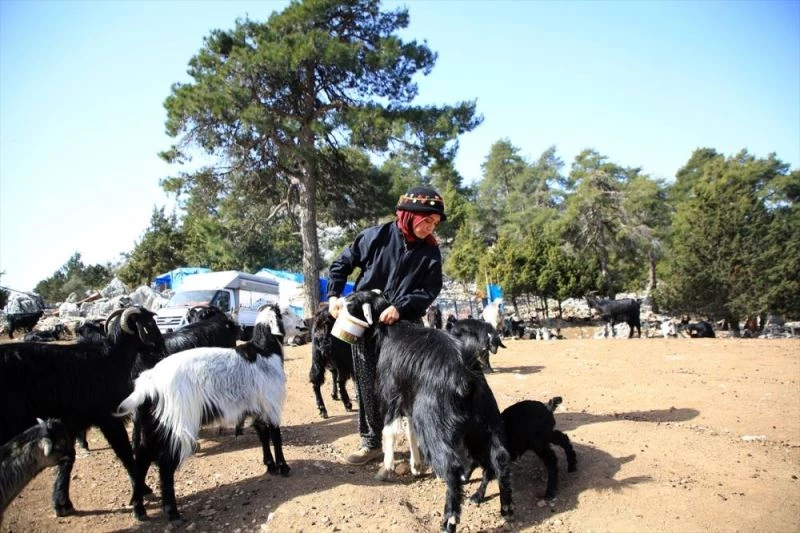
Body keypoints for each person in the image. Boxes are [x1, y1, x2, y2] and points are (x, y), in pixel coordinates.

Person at [326, 185, 446, 465]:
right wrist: (333, 295)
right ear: (408, 214)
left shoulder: (430, 252)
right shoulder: (375, 237)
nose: (430, 227)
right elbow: (341, 264)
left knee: (412, 384)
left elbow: (430, 289)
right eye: (427, 220)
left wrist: (401, 307)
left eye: (435, 223)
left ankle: (425, 443)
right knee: (367, 382)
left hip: (406, 326)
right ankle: (371, 443)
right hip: (365, 322)